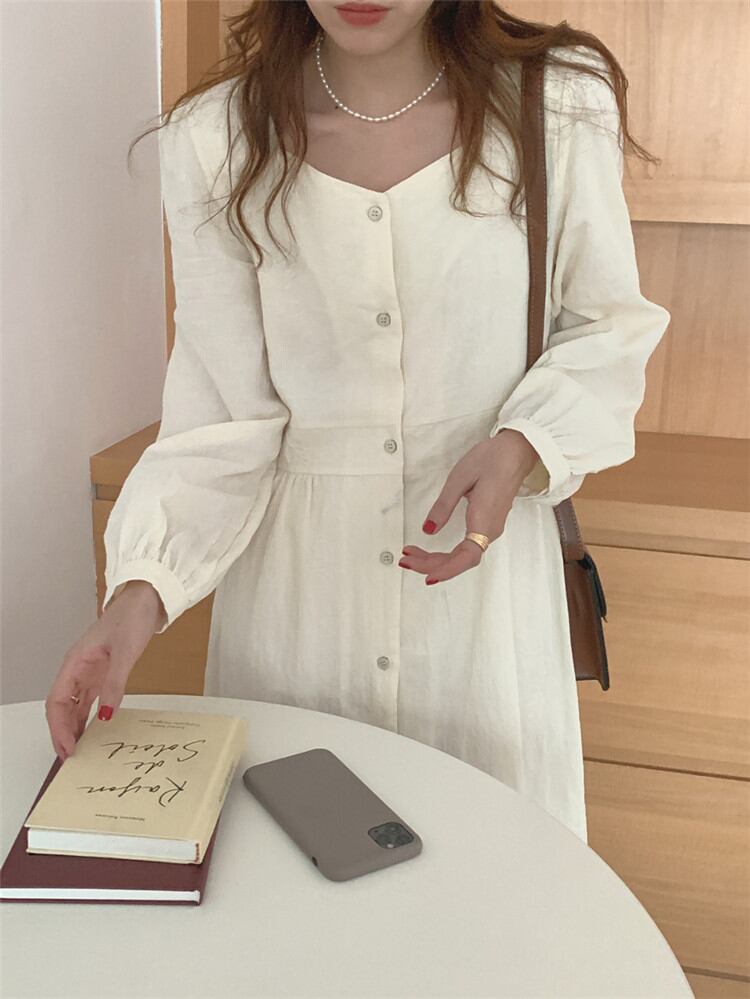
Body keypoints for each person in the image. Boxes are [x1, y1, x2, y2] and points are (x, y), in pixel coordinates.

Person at [45, 0, 671, 845]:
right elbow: (223, 416)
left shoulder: (555, 104)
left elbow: (608, 326)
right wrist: (137, 596)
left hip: (483, 616)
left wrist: (526, 440)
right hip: (297, 615)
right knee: (301, 885)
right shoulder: (216, 138)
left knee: (489, 885)